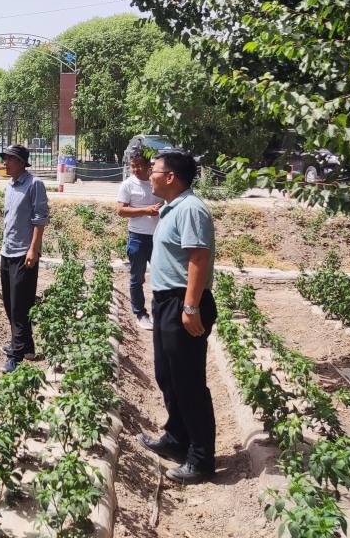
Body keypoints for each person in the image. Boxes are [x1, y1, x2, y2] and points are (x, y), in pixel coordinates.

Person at [138, 150, 218, 484]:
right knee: (167, 375)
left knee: (188, 382)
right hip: (165, 302)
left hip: (183, 303)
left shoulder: (190, 209)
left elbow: (198, 258)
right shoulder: (172, 207)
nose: (149, 175)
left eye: (154, 170)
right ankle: (176, 438)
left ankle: (201, 459)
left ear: (170, 177)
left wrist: (190, 307)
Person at [0, 144, 49, 373]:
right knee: (10, 304)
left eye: (10, 159)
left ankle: (15, 357)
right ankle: (27, 347)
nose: (5, 163)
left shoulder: (34, 184)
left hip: (24, 254)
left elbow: (40, 219)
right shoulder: (10, 186)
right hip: (7, 251)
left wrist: (33, 249)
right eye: (5, 158)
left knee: (20, 306)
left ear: (21, 162)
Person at [116, 148, 164, 329]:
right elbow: (121, 210)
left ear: (148, 166)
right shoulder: (128, 185)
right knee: (137, 278)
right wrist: (145, 210)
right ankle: (140, 314)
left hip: (159, 236)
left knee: (161, 277)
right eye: (132, 166)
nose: (135, 170)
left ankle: (160, 313)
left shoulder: (156, 182)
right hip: (137, 237)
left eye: (138, 166)